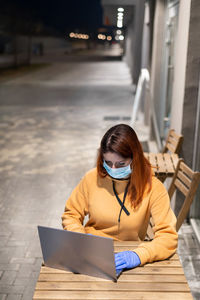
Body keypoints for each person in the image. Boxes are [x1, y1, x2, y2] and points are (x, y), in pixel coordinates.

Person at [62, 124, 178, 273]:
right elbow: (71, 214)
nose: (113, 169)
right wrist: (80, 238)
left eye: (121, 164)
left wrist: (138, 255)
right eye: (108, 163)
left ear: (134, 158)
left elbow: (168, 237)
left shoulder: (153, 187)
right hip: (90, 253)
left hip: (129, 257)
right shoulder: (91, 178)